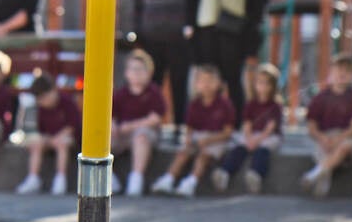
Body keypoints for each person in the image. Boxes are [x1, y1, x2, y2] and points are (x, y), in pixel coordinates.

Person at [133, 0, 194, 134]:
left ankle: (179, 127)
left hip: (179, 39)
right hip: (152, 38)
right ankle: (151, 126)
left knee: (179, 84)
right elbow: (139, 3)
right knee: (152, 85)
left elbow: (196, 1)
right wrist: (139, 31)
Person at [150, 64, 235, 198]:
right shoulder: (194, 104)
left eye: (210, 81)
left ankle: (191, 182)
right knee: (183, 153)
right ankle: (168, 179)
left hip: (217, 139)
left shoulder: (225, 105)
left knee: (203, 157)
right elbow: (190, 128)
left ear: (219, 83)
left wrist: (208, 140)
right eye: (202, 81)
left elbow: (228, 132)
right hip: (198, 137)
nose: (206, 85)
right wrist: (189, 139)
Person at [302, 54, 352, 198]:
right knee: (321, 148)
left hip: (346, 136)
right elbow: (311, 125)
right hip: (325, 135)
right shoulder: (320, 98)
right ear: (331, 72)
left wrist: (338, 138)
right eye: (338, 70)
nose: (342, 74)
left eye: (347, 71)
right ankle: (323, 177)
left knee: (345, 147)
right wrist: (322, 138)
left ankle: (315, 174)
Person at [215, 63, 284, 194]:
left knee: (263, 149)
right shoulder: (251, 104)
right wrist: (248, 138)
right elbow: (247, 124)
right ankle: (225, 171)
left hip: (268, 136)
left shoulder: (275, 106)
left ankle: (256, 174)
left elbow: (270, 128)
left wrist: (256, 141)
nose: (262, 86)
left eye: (266, 83)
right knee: (239, 146)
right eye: (259, 82)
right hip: (252, 134)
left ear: (273, 86)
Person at [111, 49, 166, 196]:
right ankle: (109, 177)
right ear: (126, 73)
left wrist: (131, 126)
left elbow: (155, 119)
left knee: (141, 136)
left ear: (149, 72)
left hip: (145, 133)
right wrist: (114, 126)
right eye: (132, 69)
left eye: (140, 69)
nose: (136, 73)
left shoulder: (154, 92)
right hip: (122, 134)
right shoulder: (120, 93)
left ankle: (136, 178)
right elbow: (112, 115)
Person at [15, 74, 80, 196]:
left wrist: (58, 137)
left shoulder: (67, 102)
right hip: (50, 138)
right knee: (36, 143)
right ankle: (33, 178)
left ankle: (60, 178)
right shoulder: (41, 109)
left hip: (68, 139)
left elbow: (72, 126)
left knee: (62, 143)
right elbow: (41, 131)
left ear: (53, 91)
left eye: (44, 97)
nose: (43, 102)